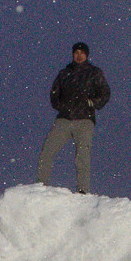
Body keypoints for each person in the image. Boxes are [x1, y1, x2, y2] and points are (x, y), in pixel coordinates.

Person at [37, 41, 110, 193]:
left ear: (87, 55)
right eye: (76, 52)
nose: (79, 55)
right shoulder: (64, 73)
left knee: (82, 156)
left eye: (82, 53)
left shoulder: (94, 73)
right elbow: (54, 94)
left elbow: (105, 93)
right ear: (72, 54)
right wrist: (61, 106)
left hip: (85, 120)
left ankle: (83, 190)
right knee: (47, 151)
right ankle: (40, 186)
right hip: (64, 119)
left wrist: (92, 102)